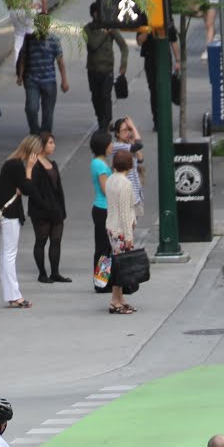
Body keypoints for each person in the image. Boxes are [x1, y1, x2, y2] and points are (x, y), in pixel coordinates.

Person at [0, 135, 40, 309]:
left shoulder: (11, 163)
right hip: (10, 214)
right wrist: (29, 169)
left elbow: (23, 188)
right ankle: (14, 295)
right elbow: (28, 189)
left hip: (6, 213)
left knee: (7, 254)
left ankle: (11, 294)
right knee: (9, 255)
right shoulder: (17, 165)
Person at [15, 13, 68, 135]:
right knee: (31, 108)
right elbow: (22, 58)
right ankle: (34, 131)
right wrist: (20, 76)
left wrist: (64, 81)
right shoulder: (29, 39)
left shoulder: (54, 40)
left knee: (48, 112)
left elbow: (60, 61)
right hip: (32, 80)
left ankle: (45, 135)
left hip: (49, 81)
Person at [28, 131, 69, 283]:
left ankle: (55, 272)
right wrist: (46, 206)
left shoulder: (52, 164)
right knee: (41, 240)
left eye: (53, 142)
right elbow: (33, 190)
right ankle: (42, 273)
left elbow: (59, 189)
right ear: (42, 145)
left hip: (56, 209)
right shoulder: (35, 165)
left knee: (56, 240)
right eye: (50, 142)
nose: (54, 145)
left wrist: (61, 209)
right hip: (41, 211)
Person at [84, 2, 129, 131]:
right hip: (93, 69)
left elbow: (124, 46)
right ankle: (100, 119)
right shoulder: (87, 29)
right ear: (93, 14)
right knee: (95, 97)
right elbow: (93, 44)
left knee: (105, 96)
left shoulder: (111, 28)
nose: (99, 15)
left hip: (107, 69)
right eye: (97, 12)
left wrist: (123, 64)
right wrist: (104, 33)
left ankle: (106, 122)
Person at [104, 147, 137, 316]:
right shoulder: (126, 184)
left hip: (111, 227)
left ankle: (120, 299)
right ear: (129, 166)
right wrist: (129, 237)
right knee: (120, 267)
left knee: (118, 263)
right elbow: (125, 211)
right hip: (121, 231)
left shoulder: (110, 180)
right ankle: (115, 301)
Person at [137, 23, 179, 133]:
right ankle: (157, 120)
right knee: (154, 90)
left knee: (165, 89)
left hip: (165, 58)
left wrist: (178, 60)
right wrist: (148, 29)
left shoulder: (166, 19)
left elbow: (173, 40)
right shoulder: (144, 20)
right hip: (150, 58)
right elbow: (139, 41)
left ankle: (166, 118)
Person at [88, 131, 113, 293]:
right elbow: (106, 189)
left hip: (103, 208)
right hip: (103, 208)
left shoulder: (99, 162)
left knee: (105, 247)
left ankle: (103, 280)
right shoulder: (100, 165)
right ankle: (101, 282)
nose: (112, 146)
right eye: (110, 143)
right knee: (103, 247)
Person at [109, 116, 145, 216]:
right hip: (127, 194)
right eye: (125, 130)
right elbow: (139, 145)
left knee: (132, 226)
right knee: (128, 227)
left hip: (136, 192)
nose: (128, 132)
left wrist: (132, 141)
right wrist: (133, 126)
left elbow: (141, 159)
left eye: (129, 130)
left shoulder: (129, 146)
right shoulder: (117, 146)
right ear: (117, 133)